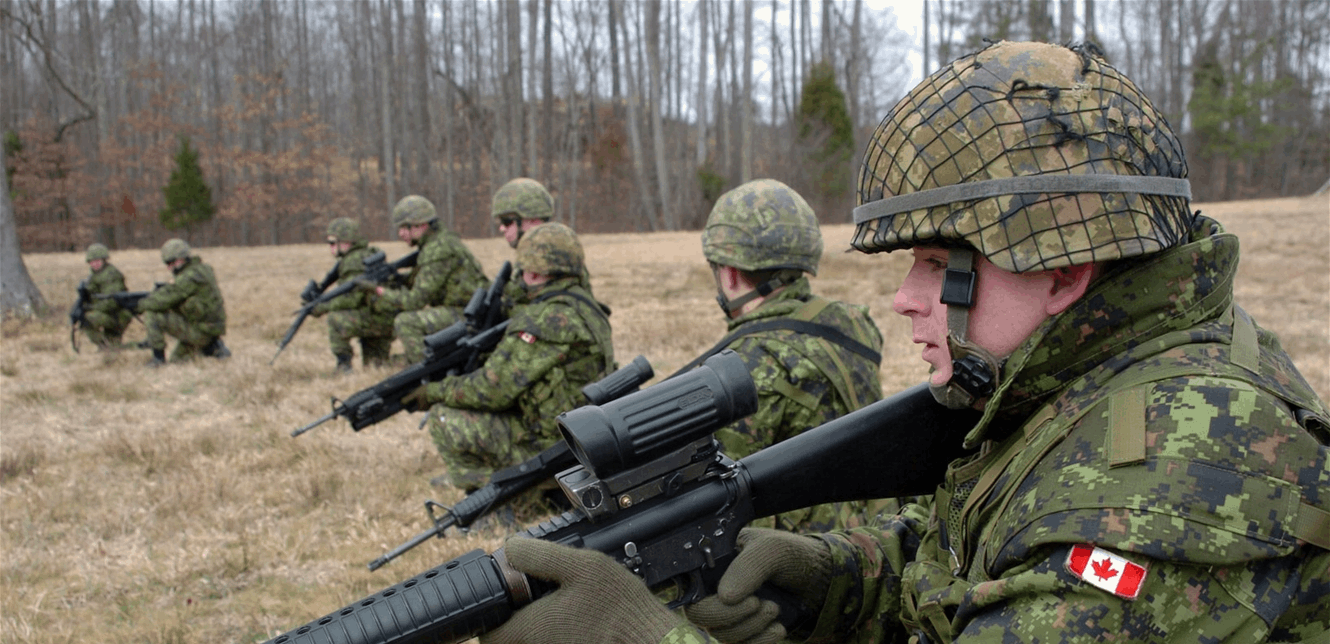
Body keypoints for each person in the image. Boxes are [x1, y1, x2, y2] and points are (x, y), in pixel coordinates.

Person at [479, 41, 1330, 644]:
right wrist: (833, 581)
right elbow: (979, 561)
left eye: (935, 266)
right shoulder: (1081, 379)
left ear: (1063, 270)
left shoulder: (1169, 481)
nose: (905, 300)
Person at [698, 178, 885, 532]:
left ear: (730, 273)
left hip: (805, 558)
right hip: (883, 527)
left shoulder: (745, 364)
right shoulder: (855, 325)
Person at [407, 222, 615, 492]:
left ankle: (504, 494)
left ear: (537, 271)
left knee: (443, 417)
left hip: (553, 448)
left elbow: (491, 390)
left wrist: (432, 391)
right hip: (583, 435)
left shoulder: (544, 318)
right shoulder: (588, 306)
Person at [373, 195, 487, 363]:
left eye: (405, 227)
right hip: (468, 310)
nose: (401, 233)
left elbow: (414, 301)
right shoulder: (441, 242)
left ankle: (425, 368)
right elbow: (427, 280)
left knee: (406, 321)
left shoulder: (437, 250)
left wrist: (380, 291)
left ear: (421, 225)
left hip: (467, 315)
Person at [309, 217, 395, 372]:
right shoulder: (367, 254)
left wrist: (322, 307)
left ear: (346, 242)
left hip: (378, 318)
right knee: (377, 367)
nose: (331, 248)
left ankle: (344, 366)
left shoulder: (353, 261)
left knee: (335, 319)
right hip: (383, 316)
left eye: (333, 243)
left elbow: (351, 299)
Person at [138, 238, 229, 365]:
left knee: (152, 314)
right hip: (207, 329)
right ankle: (212, 348)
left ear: (181, 259)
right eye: (167, 264)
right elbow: (175, 293)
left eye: (171, 263)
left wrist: (138, 305)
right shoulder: (202, 269)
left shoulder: (189, 277)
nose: (169, 268)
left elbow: (166, 300)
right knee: (177, 362)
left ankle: (158, 359)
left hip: (201, 331)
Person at [78, 243, 134, 349]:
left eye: (97, 261)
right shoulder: (93, 277)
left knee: (87, 318)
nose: (94, 264)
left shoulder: (111, 275)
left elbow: (112, 302)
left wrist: (91, 308)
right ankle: (105, 347)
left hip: (118, 315)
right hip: (109, 314)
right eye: (91, 262)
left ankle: (107, 347)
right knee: (113, 348)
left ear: (104, 260)